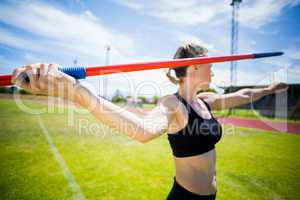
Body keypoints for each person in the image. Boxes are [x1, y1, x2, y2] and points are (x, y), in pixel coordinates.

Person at [11, 43, 287, 200]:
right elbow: (141, 131)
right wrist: (75, 90)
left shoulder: (206, 101)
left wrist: (268, 90)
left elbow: (242, 94)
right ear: (194, 67)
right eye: (210, 63)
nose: (214, 69)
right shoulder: (172, 105)